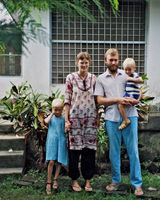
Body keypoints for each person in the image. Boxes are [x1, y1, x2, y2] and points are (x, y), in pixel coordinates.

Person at [94, 48, 143, 196]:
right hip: (111, 119)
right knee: (114, 152)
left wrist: (136, 100)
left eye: (116, 60)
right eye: (111, 60)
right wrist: (117, 100)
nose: (114, 62)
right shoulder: (101, 78)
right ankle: (115, 181)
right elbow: (99, 100)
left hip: (130, 117)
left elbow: (139, 88)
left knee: (133, 150)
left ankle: (137, 184)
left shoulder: (126, 75)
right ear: (105, 60)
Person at [64, 52, 98, 192]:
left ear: (89, 63)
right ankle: (74, 180)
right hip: (75, 120)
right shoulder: (70, 78)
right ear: (76, 63)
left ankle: (88, 180)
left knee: (89, 151)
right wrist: (66, 120)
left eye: (86, 62)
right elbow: (67, 100)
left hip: (90, 120)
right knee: (74, 151)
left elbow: (97, 100)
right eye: (81, 62)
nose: (84, 65)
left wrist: (98, 118)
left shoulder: (93, 78)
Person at [44, 98, 68, 195]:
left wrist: (67, 127)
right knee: (51, 161)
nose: (57, 112)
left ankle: (55, 179)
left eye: (59, 109)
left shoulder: (63, 118)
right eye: (55, 109)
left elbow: (66, 127)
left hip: (61, 141)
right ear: (53, 109)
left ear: (62, 109)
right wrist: (52, 113)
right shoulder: (51, 117)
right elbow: (46, 122)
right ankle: (48, 182)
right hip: (52, 141)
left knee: (59, 161)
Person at [118, 58, 143, 130]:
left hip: (133, 96)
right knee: (120, 104)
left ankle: (125, 120)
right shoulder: (124, 75)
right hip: (129, 95)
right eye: (125, 69)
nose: (127, 71)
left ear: (134, 68)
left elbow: (141, 80)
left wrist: (131, 79)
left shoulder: (134, 75)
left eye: (129, 69)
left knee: (120, 105)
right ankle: (125, 120)